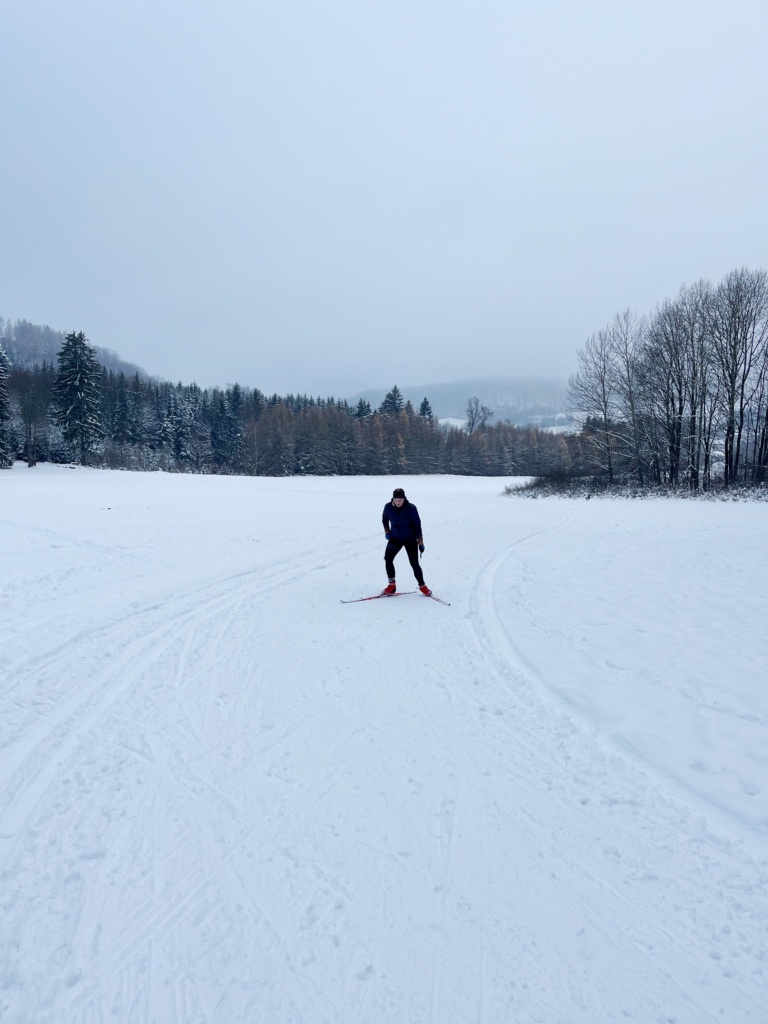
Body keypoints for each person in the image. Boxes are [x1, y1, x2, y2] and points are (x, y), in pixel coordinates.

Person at [381, 487, 432, 596]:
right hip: (395, 538)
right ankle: (391, 585)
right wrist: (387, 531)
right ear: (393, 499)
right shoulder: (388, 507)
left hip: (410, 539)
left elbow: (417, 525)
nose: (398, 502)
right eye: (396, 500)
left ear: (404, 499)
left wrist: (420, 543)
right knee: (388, 558)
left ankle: (422, 586)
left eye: (400, 500)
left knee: (414, 563)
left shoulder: (411, 508)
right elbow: (385, 519)